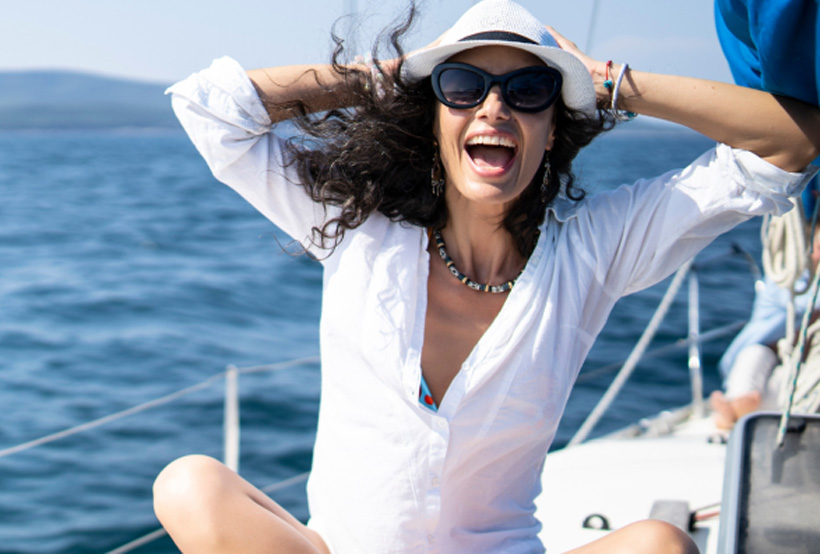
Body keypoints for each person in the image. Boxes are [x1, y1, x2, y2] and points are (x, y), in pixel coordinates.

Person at [153, 0, 819, 552]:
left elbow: (793, 144)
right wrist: (390, 79)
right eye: (463, 87)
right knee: (189, 485)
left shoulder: (593, 252)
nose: (493, 109)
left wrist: (605, 79)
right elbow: (211, 109)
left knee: (659, 544)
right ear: (436, 119)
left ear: (553, 128)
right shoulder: (365, 230)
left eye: (529, 91)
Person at [709, 0, 820, 429]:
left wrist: (615, 84)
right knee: (773, 324)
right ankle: (745, 398)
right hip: (800, 201)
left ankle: (744, 403)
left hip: (798, 191)